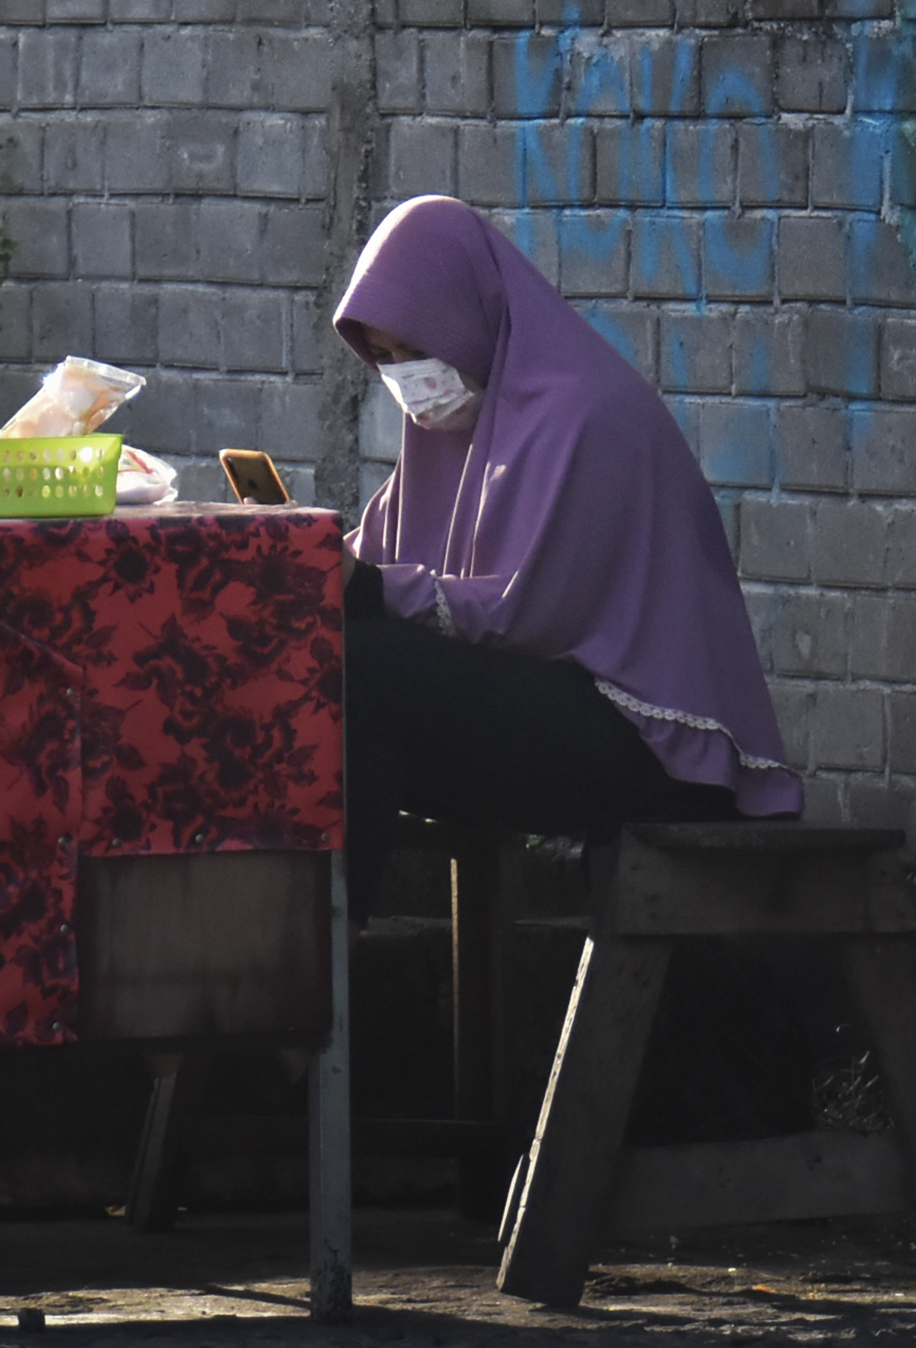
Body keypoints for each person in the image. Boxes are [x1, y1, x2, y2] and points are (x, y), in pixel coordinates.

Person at [331, 195, 800, 889]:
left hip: (646, 743)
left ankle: (331, 957)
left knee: (359, 675)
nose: (409, 379)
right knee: (321, 665)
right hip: (554, 709)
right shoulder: (449, 433)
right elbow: (383, 551)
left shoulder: (583, 415)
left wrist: (362, 585)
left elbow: (528, 612)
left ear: (468, 311)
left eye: (417, 348)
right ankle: (309, 950)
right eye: (389, 357)